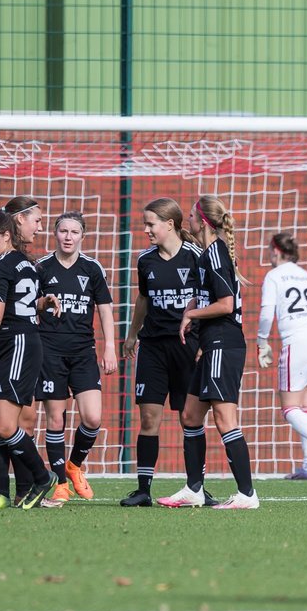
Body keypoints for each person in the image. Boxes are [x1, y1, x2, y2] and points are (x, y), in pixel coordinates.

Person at [157, 194, 260, 510]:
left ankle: (246, 495)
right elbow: (212, 298)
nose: (187, 220)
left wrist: (191, 315)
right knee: (189, 415)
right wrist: (195, 308)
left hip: (224, 345)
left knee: (225, 419)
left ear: (202, 221)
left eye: (190, 215)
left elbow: (226, 304)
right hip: (210, 346)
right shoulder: (208, 255)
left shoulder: (215, 254)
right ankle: (194, 490)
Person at [0, 208, 59, 511]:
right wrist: (42, 303)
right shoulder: (25, 263)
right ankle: (1, 492)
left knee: (7, 426)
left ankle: (42, 477)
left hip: (16, 343)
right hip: (8, 343)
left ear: (7, 235)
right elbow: (25, 302)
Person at [118, 198, 206, 507]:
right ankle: (143, 489)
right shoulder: (146, 260)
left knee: (189, 418)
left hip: (187, 346)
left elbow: (210, 300)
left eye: (150, 224)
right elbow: (143, 298)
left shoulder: (197, 256)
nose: (146, 230)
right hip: (153, 347)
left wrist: (204, 343)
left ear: (170, 224)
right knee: (148, 417)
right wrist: (131, 335)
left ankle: (196, 486)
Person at [34, 211, 118, 507]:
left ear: (83, 235)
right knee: (55, 418)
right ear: (55, 234)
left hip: (83, 352)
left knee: (93, 417)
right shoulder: (41, 267)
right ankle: (59, 483)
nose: (68, 237)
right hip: (49, 351)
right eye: (63, 231)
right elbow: (29, 306)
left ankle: (74, 465)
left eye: (74, 232)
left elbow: (105, 309)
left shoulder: (92, 268)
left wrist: (109, 347)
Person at [256, 231, 307, 480]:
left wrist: (262, 342)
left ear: (276, 251)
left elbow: (266, 314)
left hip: (298, 340)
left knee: (290, 408)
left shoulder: (274, 276)